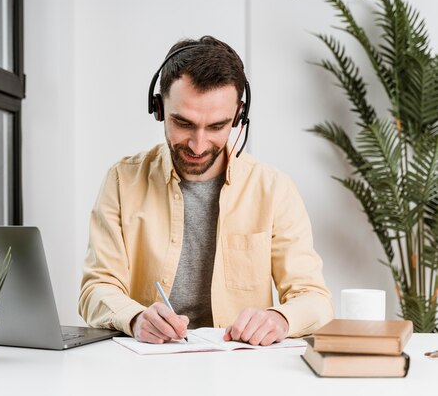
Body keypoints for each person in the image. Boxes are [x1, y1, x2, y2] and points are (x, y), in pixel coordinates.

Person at [78, 35, 333, 345]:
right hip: (146, 367)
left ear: (238, 117)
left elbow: (315, 299)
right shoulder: (122, 181)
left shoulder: (273, 189)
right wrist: (135, 317)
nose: (198, 145)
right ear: (159, 108)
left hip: (238, 370)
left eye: (216, 127)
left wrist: (279, 318)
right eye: (183, 123)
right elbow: (95, 289)